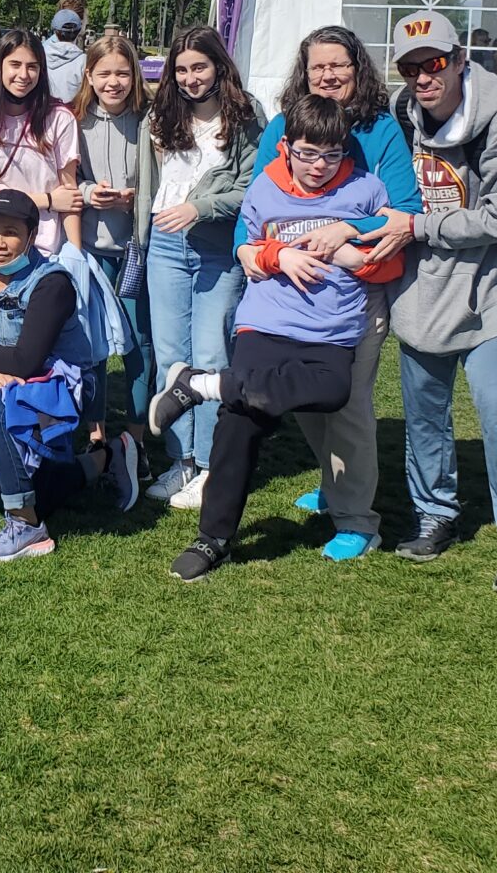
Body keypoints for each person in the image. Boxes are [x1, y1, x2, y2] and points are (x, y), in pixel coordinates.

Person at [149, 94, 403, 583]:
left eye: (331, 154)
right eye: (307, 153)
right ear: (286, 147)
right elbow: (245, 245)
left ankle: (201, 385)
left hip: (332, 332)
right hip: (267, 323)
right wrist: (278, 257)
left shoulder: (368, 191)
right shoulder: (266, 187)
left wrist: (352, 256)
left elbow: (392, 257)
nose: (319, 166)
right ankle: (212, 538)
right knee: (241, 421)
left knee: (333, 392)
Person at [386, 10, 497, 594]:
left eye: (433, 63)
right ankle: (435, 512)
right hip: (422, 295)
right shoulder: (401, 117)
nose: (422, 77)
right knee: (425, 419)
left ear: (460, 60)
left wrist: (420, 227)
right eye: (410, 67)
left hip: (493, 296)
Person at [253, 25, 422, 561]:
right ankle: (334, 485)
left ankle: (357, 519)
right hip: (291, 292)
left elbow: (405, 209)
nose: (327, 75)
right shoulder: (281, 127)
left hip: (355, 292)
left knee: (347, 403)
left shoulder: (379, 130)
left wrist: (347, 229)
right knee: (309, 399)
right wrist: (270, 254)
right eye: (317, 67)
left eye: (338, 65)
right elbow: (257, 212)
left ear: (358, 69)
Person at [0, 190, 142, 562]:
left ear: (32, 235)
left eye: (10, 232)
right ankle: (109, 455)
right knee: (47, 494)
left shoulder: (53, 283)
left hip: (59, 393)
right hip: (3, 381)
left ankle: (26, 526)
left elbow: (26, 361)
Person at [140, 25, 264, 509]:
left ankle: (213, 466)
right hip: (165, 249)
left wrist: (201, 207)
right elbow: (152, 184)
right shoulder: (161, 114)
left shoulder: (247, 118)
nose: (191, 78)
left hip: (216, 249)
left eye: (200, 67)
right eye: (182, 69)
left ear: (219, 66)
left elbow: (253, 188)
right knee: (172, 360)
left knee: (212, 359)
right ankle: (181, 461)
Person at [71, 33, 155, 438]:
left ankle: (136, 435)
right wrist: (90, 193)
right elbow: (70, 176)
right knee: (95, 346)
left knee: (140, 344)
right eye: (104, 73)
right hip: (93, 248)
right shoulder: (75, 120)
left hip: (138, 249)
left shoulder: (150, 119)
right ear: (89, 75)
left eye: (123, 73)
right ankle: (96, 433)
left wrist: (138, 198)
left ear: (135, 74)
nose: (114, 82)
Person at [0, 29, 83, 262]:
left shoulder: (60, 118)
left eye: (32, 66)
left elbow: (69, 193)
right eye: (15, 64)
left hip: (43, 248)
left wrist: (76, 254)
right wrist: (49, 200)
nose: (24, 75)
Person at [44, 5, 88, 103]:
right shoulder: (83, 60)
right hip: (72, 113)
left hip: (45, 111)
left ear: (55, 30)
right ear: (78, 31)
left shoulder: (41, 56)